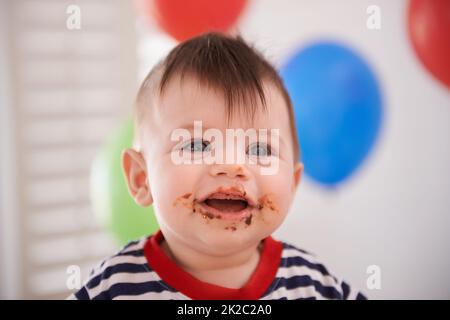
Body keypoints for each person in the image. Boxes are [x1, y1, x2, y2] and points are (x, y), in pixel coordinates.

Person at [71, 32, 366, 300]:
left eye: (260, 149)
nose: (231, 166)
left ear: (292, 181)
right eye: (197, 146)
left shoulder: (315, 285)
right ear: (141, 178)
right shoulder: (112, 289)